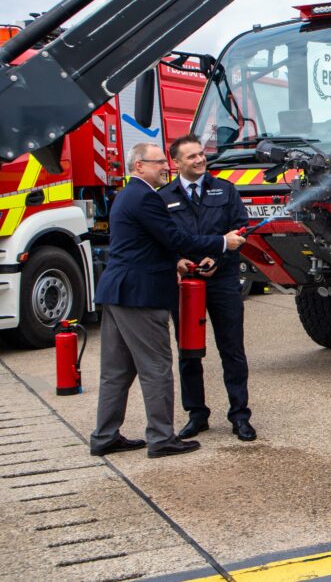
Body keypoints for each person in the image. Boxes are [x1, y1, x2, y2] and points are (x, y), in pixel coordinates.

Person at [89, 142, 245, 459]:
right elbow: (174, 238)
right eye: (159, 162)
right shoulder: (146, 197)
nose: (165, 167)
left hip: (117, 291)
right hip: (140, 295)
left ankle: (104, 436)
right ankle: (161, 438)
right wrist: (221, 243)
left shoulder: (127, 196)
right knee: (156, 368)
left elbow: (150, 243)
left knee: (116, 371)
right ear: (139, 166)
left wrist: (177, 260)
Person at [160, 135, 256, 442]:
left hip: (223, 280)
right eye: (191, 157)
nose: (200, 160)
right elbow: (161, 238)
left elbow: (242, 230)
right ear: (176, 162)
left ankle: (240, 415)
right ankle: (196, 414)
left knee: (232, 349)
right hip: (187, 284)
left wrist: (217, 257)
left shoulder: (225, 190)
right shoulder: (163, 197)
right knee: (189, 351)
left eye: (201, 154)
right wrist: (179, 261)